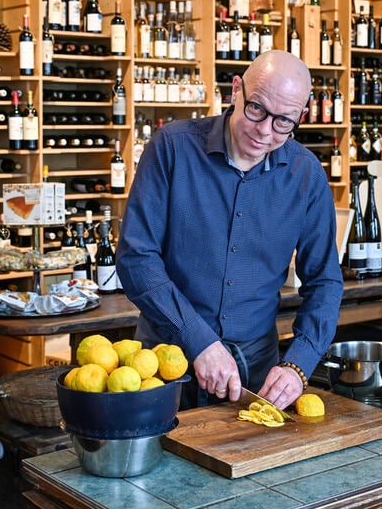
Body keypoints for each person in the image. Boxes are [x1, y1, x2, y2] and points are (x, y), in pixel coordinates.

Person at [116, 50, 344, 410]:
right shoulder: (172, 148)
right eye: (257, 109)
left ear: (300, 117)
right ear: (236, 90)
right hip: (163, 365)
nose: (265, 131)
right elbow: (136, 258)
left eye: (283, 122)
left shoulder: (307, 174)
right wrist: (199, 340)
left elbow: (325, 281)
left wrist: (298, 364)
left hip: (256, 373)